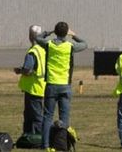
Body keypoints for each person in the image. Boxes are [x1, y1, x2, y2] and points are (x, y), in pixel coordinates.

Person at [36, 22, 87, 151]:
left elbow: (38, 38)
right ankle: (62, 145)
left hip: (52, 84)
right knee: (64, 117)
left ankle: (45, 145)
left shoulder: (49, 45)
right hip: (65, 85)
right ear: (66, 33)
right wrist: (73, 35)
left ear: (56, 31)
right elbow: (85, 44)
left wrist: (48, 32)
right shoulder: (70, 46)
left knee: (47, 116)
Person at [13, 25, 46, 135]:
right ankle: (28, 135)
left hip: (33, 88)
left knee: (35, 116)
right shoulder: (44, 49)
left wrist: (19, 71)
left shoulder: (33, 52)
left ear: (30, 36)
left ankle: (38, 138)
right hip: (42, 86)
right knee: (30, 114)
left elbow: (28, 70)